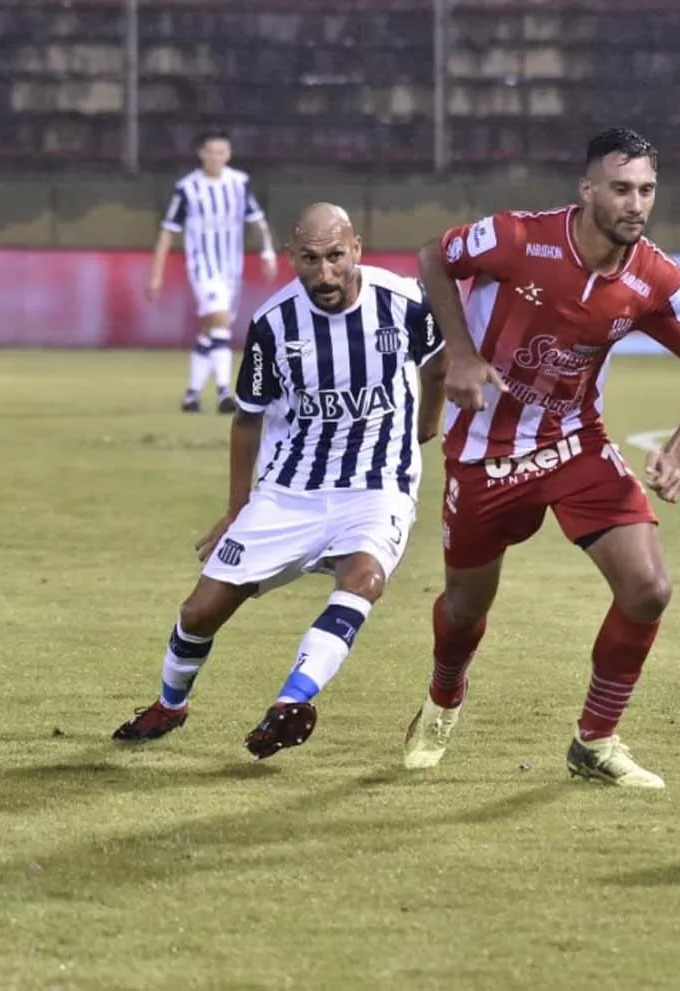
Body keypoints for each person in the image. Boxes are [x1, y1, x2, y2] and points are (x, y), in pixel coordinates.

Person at [401, 128, 680, 789]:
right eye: (620, 188)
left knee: (649, 589)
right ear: (587, 191)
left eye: (646, 190)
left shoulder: (654, 277)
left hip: (572, 441)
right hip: (483, 452)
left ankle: (596, 740)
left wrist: (677, 450)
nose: (636, 204)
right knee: (466, 608)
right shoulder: (519, 238)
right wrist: (462, 354)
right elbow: (433, 257)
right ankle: (444, 696)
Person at [114, 203, 447, 760]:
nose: (325, 273)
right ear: (292, 257)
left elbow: (438, 362)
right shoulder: (273, 323)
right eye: (311, 260)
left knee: (363, 577)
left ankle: (291, 701)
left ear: (356, 249)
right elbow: (247, 418)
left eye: (336, 256)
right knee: (201, 610)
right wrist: (235, 510)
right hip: (289, 488)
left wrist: (428, 423)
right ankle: (171, 705)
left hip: (377, 482)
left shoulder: (405, 302)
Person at [148, 130, 278, 414]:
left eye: (222, 152)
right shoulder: (187, 188)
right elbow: (168, 231)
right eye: (211, 152)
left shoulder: (239, 183)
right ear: (201, 154)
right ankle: (223, 393)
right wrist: (155, 274)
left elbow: (258, 221)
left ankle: (191, 395)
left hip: (231, 267)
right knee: (220, 322)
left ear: (228, 155)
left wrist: (268, 252)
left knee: (211, 331)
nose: (216, 157)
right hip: (203, 266)